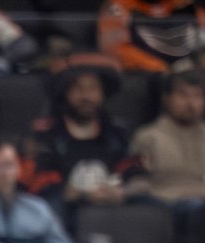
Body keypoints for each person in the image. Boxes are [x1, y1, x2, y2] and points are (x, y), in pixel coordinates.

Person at [28, 65, 133, 215]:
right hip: (67, 206)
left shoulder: (117, 132)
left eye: (93, 89)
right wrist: (81, 194)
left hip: (114, 203)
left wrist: (122, 190)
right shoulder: (47, 133)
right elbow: (40, 181)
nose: (86, 96)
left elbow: (133, 171)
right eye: (78, 89)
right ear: (66, 92)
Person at [126, 69, 205, 207]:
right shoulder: (147, 137)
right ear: (166, 98)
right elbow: (136, 181)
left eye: (197, 96)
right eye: (183, 95)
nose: (191, 103)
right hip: (166, 204)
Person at [97, 0, 205, 77]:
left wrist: (193, 63)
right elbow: (115, 49)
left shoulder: (181, 3)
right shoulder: (118, 5)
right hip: (144, 76)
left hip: (186, 71)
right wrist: (160, 68)